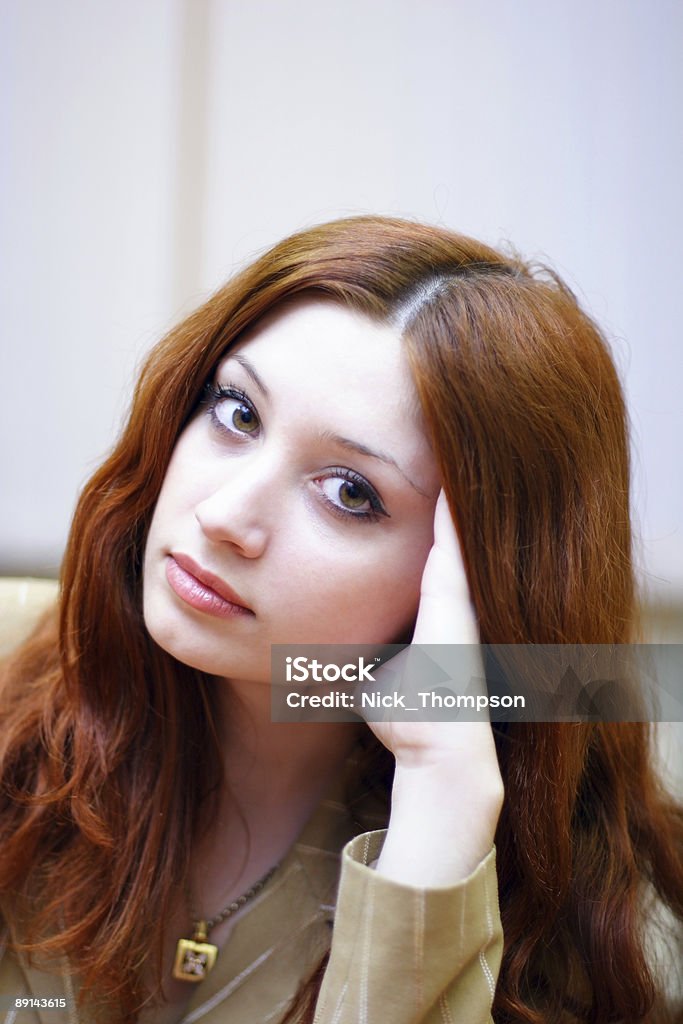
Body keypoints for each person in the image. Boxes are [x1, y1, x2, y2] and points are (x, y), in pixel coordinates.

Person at [0, 216, 681, 1024]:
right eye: (237, 413)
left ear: (479, 580)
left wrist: (440, 809)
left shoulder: (584, 918)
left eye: (349, 492)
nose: (224, 515)